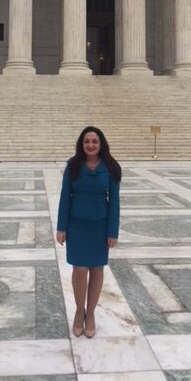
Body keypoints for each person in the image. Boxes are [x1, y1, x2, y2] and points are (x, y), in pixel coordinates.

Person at [56, 126, 121, 338]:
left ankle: (90, 313)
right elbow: (65, 196)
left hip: (100, 226)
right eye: (87, 141)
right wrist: (61, 227)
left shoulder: (111, 168)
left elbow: (115, 203)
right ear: (81, 145)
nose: (90, 145)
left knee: (97, 269)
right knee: (80, 269)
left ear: (101, 144)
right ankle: (78, 311)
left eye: (94, 141)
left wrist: (113, 232)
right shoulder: (73, 166)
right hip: (77, 225)